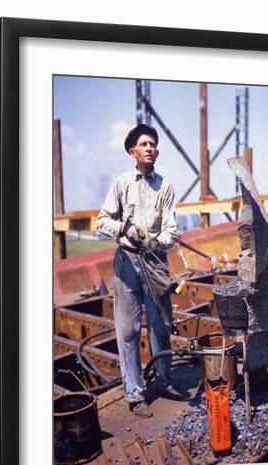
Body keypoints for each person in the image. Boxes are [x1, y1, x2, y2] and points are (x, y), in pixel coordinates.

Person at [96, 124, 181, 418]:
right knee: (129, 331)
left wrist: (157, 241)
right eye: (144, 144)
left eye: (153, 144)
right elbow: (101, 222)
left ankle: (164, 380)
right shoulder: (121, 184)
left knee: (160, 327)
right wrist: (124, 227)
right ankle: (134, 393)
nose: (150, 148)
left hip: (155, 264)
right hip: (127, 264)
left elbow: (172, 229)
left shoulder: (166, 187)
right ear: (132, 152)